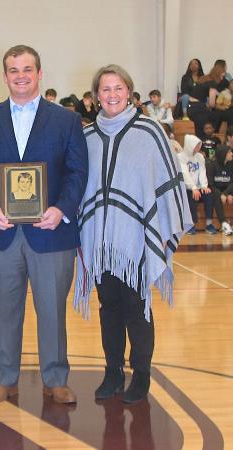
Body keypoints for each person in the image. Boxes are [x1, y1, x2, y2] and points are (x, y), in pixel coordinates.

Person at [0, 45, 88, 405]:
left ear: (39, 73)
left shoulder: (65, 120)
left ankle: (55, 378)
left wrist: (61, 209)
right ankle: (5, 378)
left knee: (52, 310)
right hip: (0, 232)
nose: (21, 76)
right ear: (5, 76)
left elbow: (77, 171)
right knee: (4, 311)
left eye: (27, 69)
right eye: (14, 70)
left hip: (51, 232)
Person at [75, 64, 192, 404]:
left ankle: (141, 374)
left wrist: (161, 229)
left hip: (137, 237)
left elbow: (167, 180)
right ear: (96, 96)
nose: (112, 94)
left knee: (137, 307)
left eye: (118, 88)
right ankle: (113, 372)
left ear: (129, 92)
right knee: (108, 306)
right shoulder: (87, 138)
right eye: (105, 89)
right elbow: (81, 186)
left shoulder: (149, 131)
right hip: (99, 239)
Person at [178, 134, 214, 235]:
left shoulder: (200, 157)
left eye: (199, 145)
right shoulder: (180, 157)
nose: (198, 148)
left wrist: (204, 186)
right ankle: (190, 225)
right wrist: (193, 187)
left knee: (209, 194)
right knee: (192, 197)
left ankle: (209, 224)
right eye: (196, 146)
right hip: (187, 188)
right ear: (190, 145)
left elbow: (202, 172)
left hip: (198, 187)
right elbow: (184, 174)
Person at [206, 144, 233, 235]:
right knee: (216, 196)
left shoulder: (231, 164)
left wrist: (227, 194)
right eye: (229, 152)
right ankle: (224, 224)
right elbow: (210, 184)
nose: (231, 154)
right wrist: (221, 194)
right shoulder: (211, 165)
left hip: (228, 190)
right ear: (223, 154)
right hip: (216, 190)